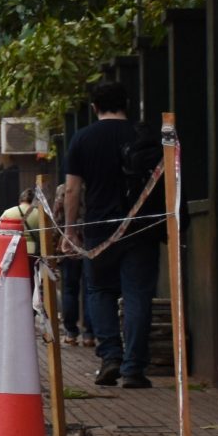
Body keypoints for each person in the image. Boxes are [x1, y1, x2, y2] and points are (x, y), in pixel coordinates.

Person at [61, 82, 165, 386]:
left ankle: (110, 356)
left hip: (99, 228)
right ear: (127, 104)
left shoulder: (82, 139)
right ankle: (134, 368)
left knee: (99, 291)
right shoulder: (141, 136)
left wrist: (71, 230)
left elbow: (71, 189)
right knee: (137, 295)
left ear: (94, 107)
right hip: (142, 228)